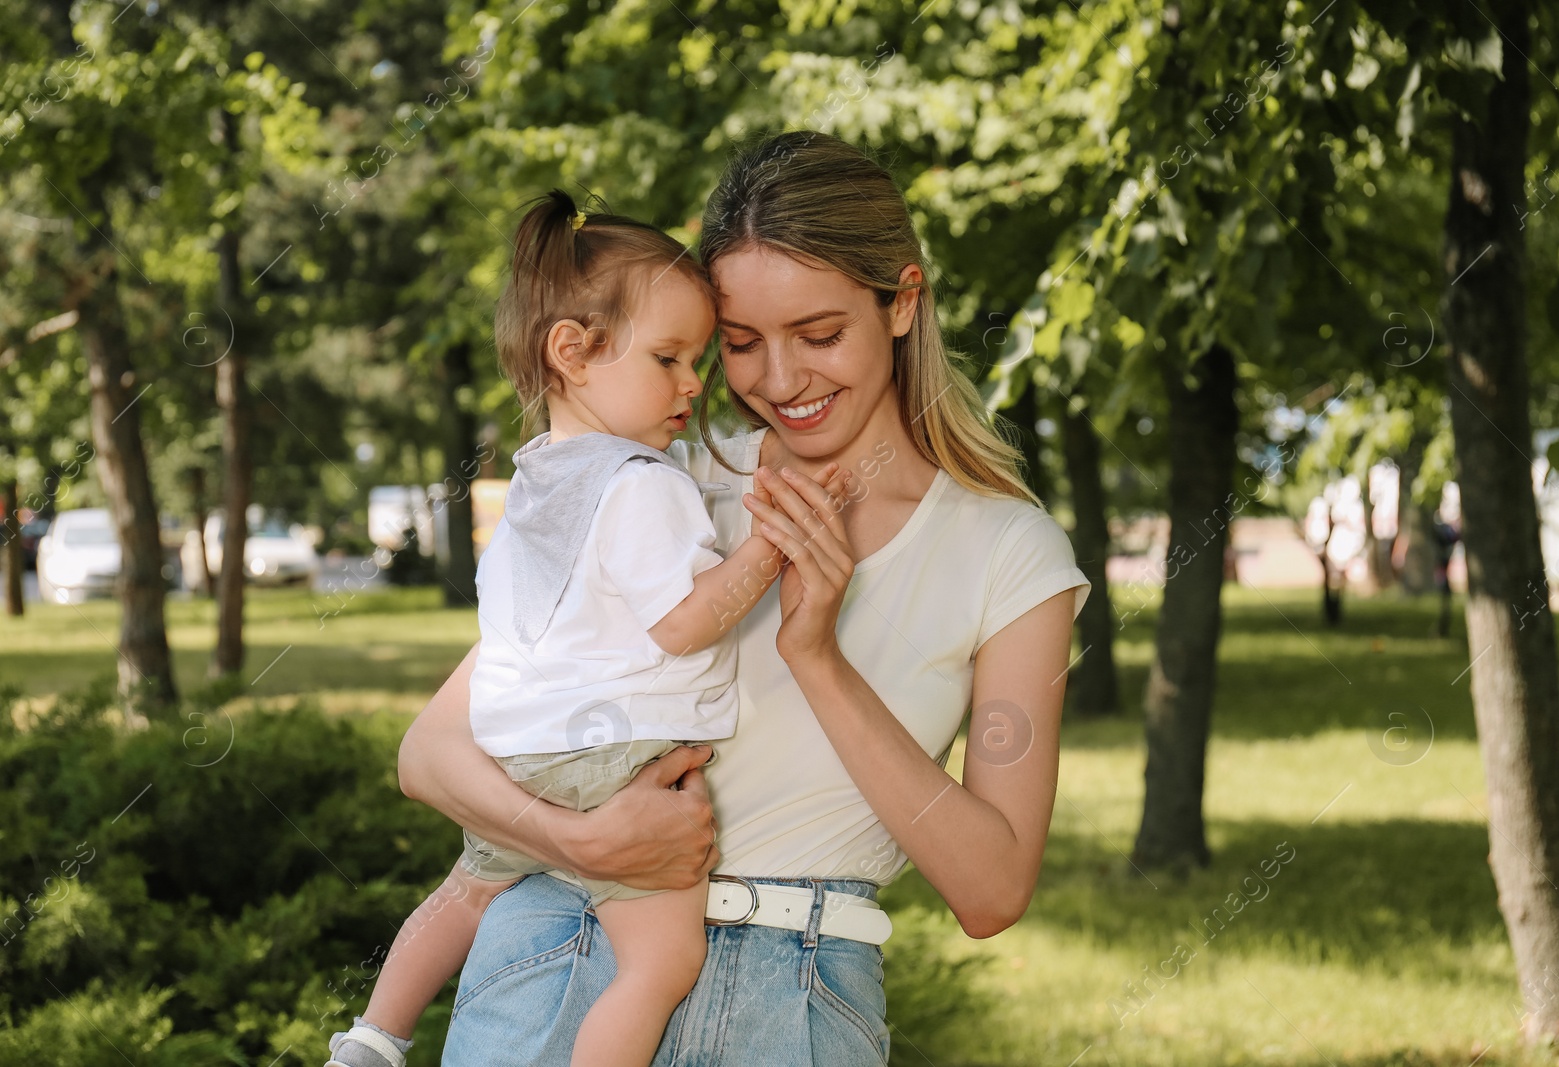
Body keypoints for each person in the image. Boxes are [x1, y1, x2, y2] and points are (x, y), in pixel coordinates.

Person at [397, 131, 1093, 1066]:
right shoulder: (650, 486)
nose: (779, 379)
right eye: (740, 343)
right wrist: (584, 842)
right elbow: (433, 751)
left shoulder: (1010, 553)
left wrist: (818, 654)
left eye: (819, 334)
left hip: (797, 1002)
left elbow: (993, 888)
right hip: (566, 952)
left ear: (903, 302)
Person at [326, 190, 845, 1067]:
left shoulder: (539, 475)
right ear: (572, 351)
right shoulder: (642, 483)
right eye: (671, 358)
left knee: (467, 890)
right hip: (615, 760)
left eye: (702, 360)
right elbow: (682, 625)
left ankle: (372, 1039)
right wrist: (767, 552)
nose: (694, 383)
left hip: (520, 752)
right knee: (663, 959)